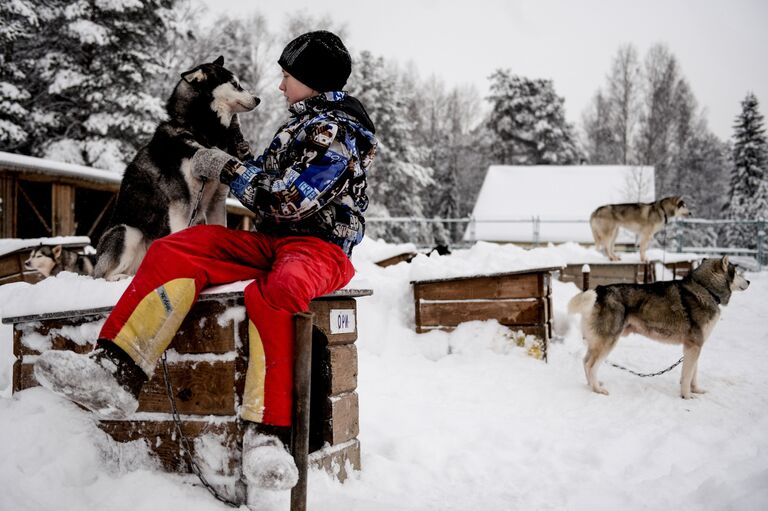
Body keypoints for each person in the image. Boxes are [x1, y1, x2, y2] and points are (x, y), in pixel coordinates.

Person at [33, 30, 377, 491]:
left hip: (319, 248)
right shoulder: (303, 121)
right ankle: (116, 371)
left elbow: (293, 197)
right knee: (178, 248)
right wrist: (233, 150)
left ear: (312, 80)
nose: (279, 85)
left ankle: (267, 435)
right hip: (272, 242)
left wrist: (229, 169)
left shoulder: (336, 129)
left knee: (281, 288)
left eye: (287, 76)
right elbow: (271, 181)